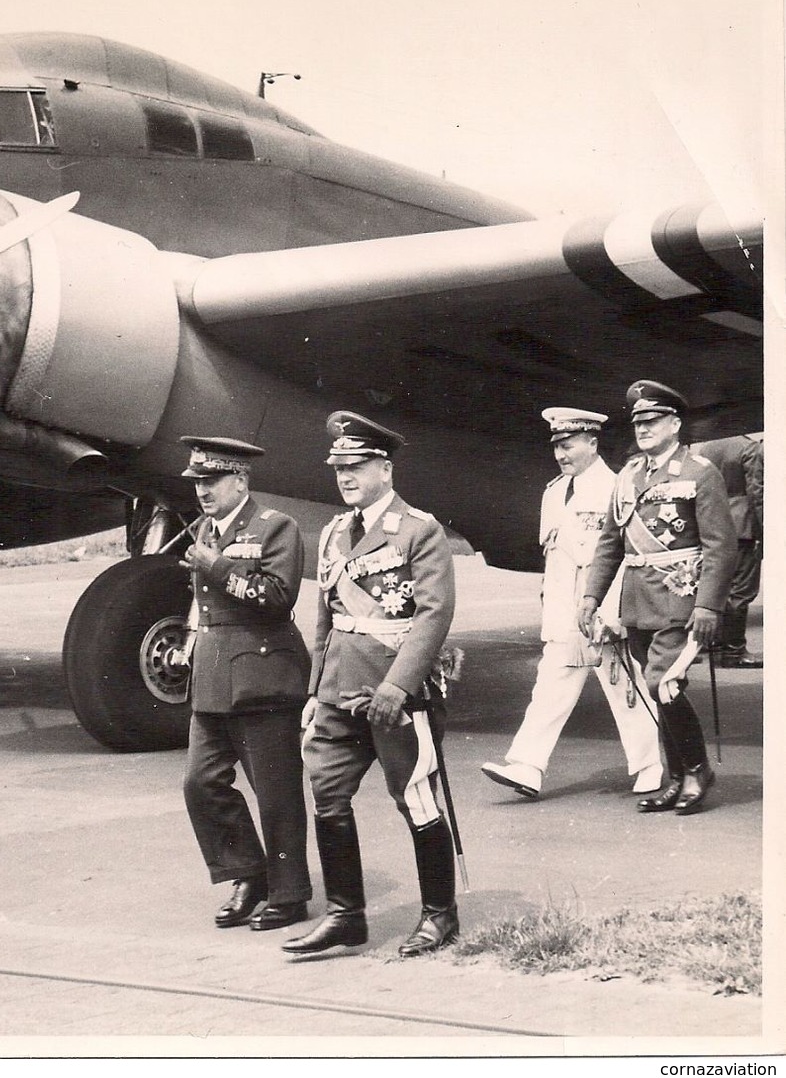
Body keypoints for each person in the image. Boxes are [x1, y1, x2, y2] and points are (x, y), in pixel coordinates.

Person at [283, 412, 459, 959]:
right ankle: (345, 914)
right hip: (338, 690)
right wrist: (314, 690)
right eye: (339, 467)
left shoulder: (418, 529)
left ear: (385, 467)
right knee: (327, 795)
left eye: (357, 465)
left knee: (416, 799)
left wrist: (398, 687)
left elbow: (434, 614)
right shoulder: (335, 531)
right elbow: (325, 615)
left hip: (395, 696)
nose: (346, 476)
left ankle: (438, 915)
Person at [480, 408, 664, 799]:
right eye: (557, 447)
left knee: (625, 688)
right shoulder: (553, 491)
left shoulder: (616, 488)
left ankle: (649, 766)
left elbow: (618, 557)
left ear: (592, 443)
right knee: (550, 687)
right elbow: (557, 556)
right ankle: (528, 767)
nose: (562, 455)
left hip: (601, 613)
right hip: (565, 614)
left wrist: (612, 614)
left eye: (569, 445)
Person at [580, 381, 737, 815]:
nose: (643, 429)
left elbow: (720, 547)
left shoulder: (699, 473)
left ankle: (698, 770)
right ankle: (677, 777)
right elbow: (610, 543)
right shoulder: (629, 476)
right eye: (638, 423)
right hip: (637, 602)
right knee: (657, 689)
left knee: (663, 683)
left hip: (679, 598)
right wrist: (591, 596)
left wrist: (708, 605)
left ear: (675, 423)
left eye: (652, 421)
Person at [177, 436, 314, 932]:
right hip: (214, 676)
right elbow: (205, 605)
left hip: (263, 677)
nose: (202, 492)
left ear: (240, 479)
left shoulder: (276, 527)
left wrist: (214, 565)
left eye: (211, 481)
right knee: (200, 783)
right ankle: (248, 874)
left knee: (275, 792)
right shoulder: (204, 531)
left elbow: (276, 597)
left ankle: (290, 893)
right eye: (197, 482)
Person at [693, 434, 764, 669]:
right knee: (741, 590)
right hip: (743, 525)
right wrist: (765, 529)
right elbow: (757, 493)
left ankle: (711, 644)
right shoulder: (749, 447)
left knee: (717, 585)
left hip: (713, 523)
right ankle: (734, 652)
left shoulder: (707, 446)